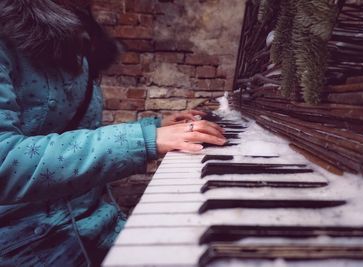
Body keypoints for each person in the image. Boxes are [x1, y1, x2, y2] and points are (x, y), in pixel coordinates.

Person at [0, 0, 226, 266]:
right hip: (29, 241)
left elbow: (71, 134)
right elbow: (5, 160)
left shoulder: (77, 32)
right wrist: (141, 141)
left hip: (95, 225)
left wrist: (152, 128)